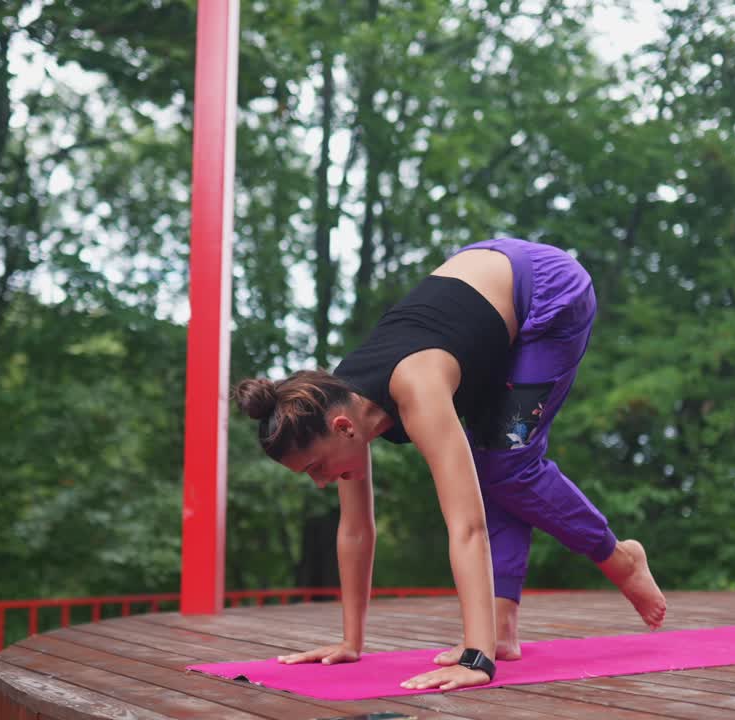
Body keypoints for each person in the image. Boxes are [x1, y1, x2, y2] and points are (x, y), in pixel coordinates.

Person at [232, 237, 667, 692]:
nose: (321, 482)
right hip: (486, 309)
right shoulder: (338, 405)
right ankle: (500, 625)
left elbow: (467, 525)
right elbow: (356, 529)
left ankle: (620, 558)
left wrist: (474, 659)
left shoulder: (416, 387)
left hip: (546, 291)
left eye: (316, 468)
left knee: (507, 464)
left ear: (344, 428)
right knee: (490, 460)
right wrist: (350, 642)